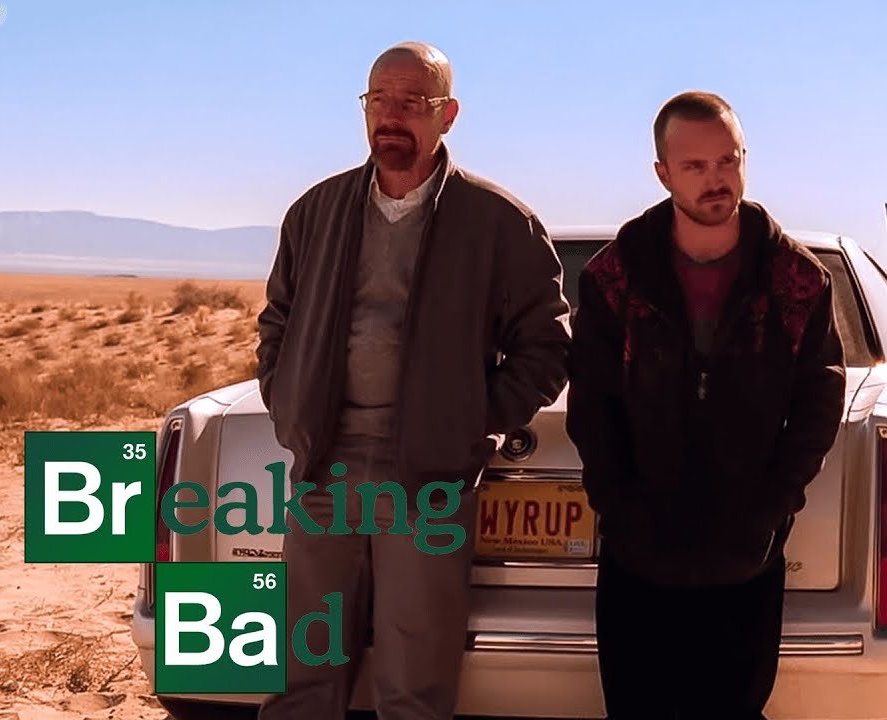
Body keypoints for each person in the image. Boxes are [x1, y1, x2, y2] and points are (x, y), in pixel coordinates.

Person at [255, 41, 571, 720]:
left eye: (412, 102)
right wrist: (288, 403)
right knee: (302, 670)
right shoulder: (316, 211)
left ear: (447, 115)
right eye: (379, 100)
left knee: (414, 683)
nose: (391, 116)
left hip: (428, 481)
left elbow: (547, 343)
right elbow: (276, 321)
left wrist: (469, 422)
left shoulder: (498, 221)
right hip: (324, 470)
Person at [565, 91, 847, 719]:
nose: (715, 179)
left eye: (728, 160)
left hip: (745, 550)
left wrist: (771, 508)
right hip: (638, 549)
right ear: (663, 173)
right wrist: (621, 508)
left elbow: (818, 402)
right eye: (694, 166)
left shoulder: (797, 281)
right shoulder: (613, 278)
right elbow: (594, 407)